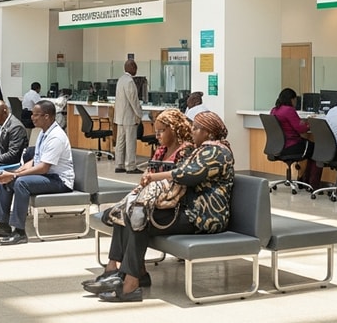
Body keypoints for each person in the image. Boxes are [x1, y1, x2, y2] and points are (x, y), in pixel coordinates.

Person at [85, 111, 235, 303]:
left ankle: (130, 283)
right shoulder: (205, 149)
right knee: (133, 213)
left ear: (207, 132)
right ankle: (131, 274)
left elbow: (187, 174)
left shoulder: (216, 151)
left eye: (196, 128)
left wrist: (153, 177)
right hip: (188, 210)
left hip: (204, 217)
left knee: (139, 218)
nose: (193, 131)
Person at [82, 108, 196, 291]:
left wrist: (151, 182)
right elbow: (148, 176)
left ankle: (130, 276)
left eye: (161, 131)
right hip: (155, 202)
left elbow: (179, 180)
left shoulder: (187, 151)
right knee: (126, 211)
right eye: (156, 131)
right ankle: (115, 267)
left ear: (173, 130)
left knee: (137, 218)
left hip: (174, 206)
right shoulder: (161, 151)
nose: (157, 135)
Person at [0, 100, 74, 246]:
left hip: (59, 180)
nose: (32, 117)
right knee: (5, 178)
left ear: (47, 116)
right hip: (46, 175)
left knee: (21, 183)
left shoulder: (56, 136)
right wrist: (16, 171)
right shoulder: (44, 133)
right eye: (32, 114)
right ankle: (3, 225)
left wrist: (15, 175)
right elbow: (36, 160)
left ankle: (19, 232)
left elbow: (43, 167)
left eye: (36, 115)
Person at [271, 87, 321, 188]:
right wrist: (310, 123)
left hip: (277, 147)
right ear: (292, 99)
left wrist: (303, 123)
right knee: (317, 150)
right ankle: (312, 184)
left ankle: (304, 180)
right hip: (291, 146)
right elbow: (301, 129)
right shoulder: (289, 110)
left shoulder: (274, 110)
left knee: (310, 148)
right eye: (295, 100)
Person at [113, 59, 143, 173]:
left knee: (120, 142)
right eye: (135, 68)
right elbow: (133, 100)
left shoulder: (120, 80)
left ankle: (119, 164)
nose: (136, 70)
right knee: (130, 141)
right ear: (130, 68)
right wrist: (139, 114)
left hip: (120, 117)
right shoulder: (130, 81)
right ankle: (130, 166)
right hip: (129, 117)